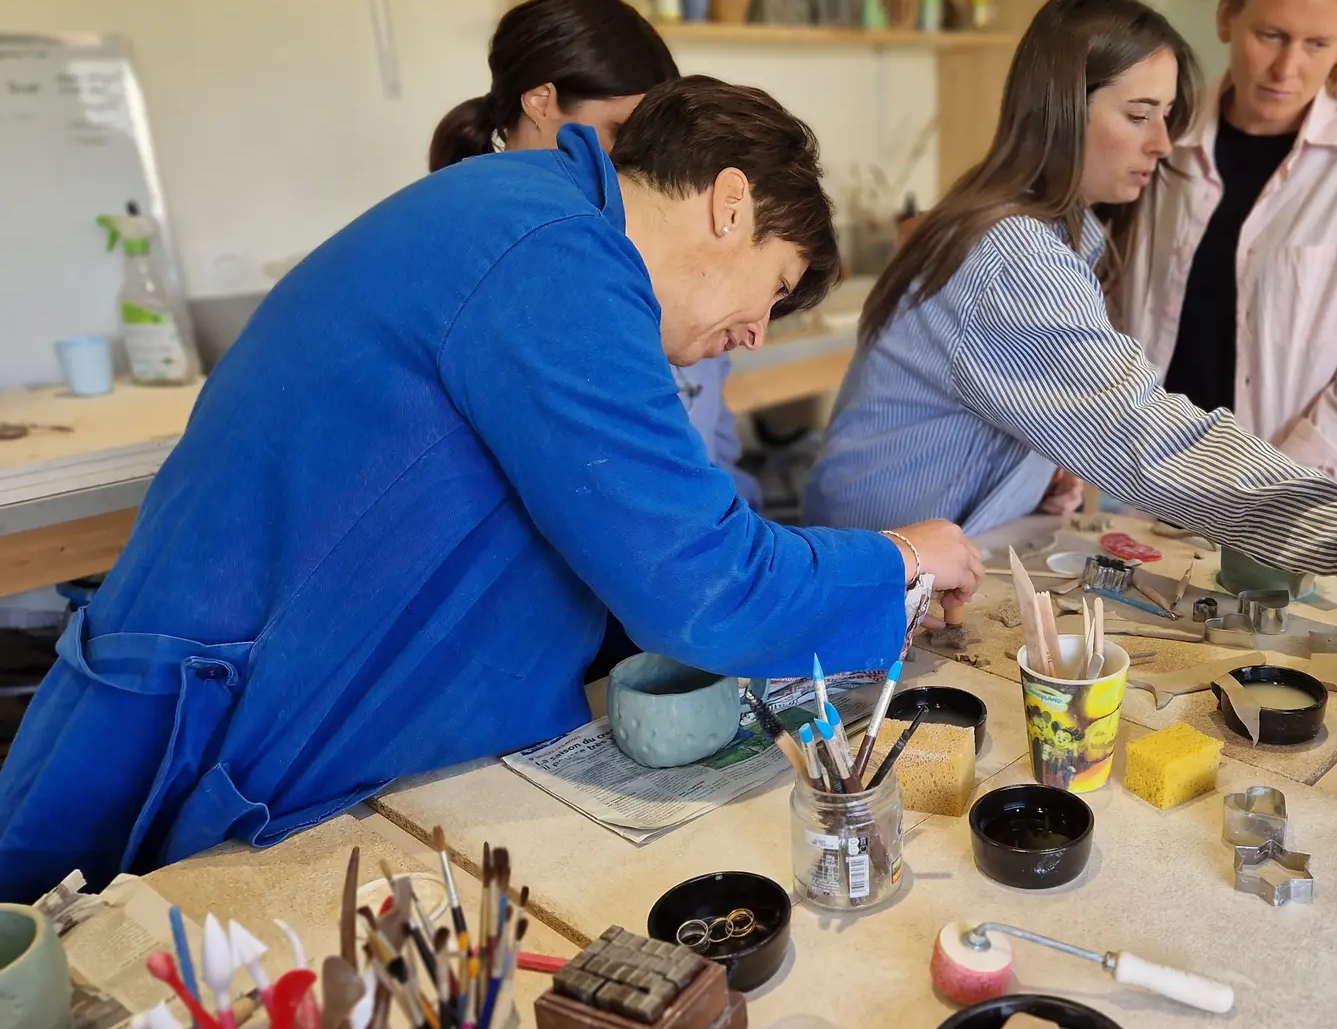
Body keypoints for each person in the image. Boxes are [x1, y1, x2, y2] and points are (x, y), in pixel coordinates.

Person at [0, 77, 980, 902]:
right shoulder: (557, 262)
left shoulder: (531, 211)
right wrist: (899, 559)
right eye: (772, 286)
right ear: (730, 205)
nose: (758, 333)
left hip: (276, 693)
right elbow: (701, 579)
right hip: (211, 723)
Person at [805, 0, 1337, 590]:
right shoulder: (1016, 258)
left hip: (897, 565)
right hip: (865, 586)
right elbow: (1148, 437)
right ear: (1065, 111)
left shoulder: (1019, 226)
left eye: (1168, 116)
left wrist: (1034, 469)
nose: (1162, 143)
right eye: (1139, 114)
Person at [1119, 0, 1337, 488]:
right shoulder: (1165, 131)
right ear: (1227, 16)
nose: (1286, 69)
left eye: (1317, 44)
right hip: (1139, 488)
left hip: (1287, 503)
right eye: (1270, 35)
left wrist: (1277, 494)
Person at [428, 0, 761, 507]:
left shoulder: (641, 258)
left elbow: (715, 454)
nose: (637, 166)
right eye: (620, 133)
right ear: (540, 102)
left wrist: (750, 536)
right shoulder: (492, 261)